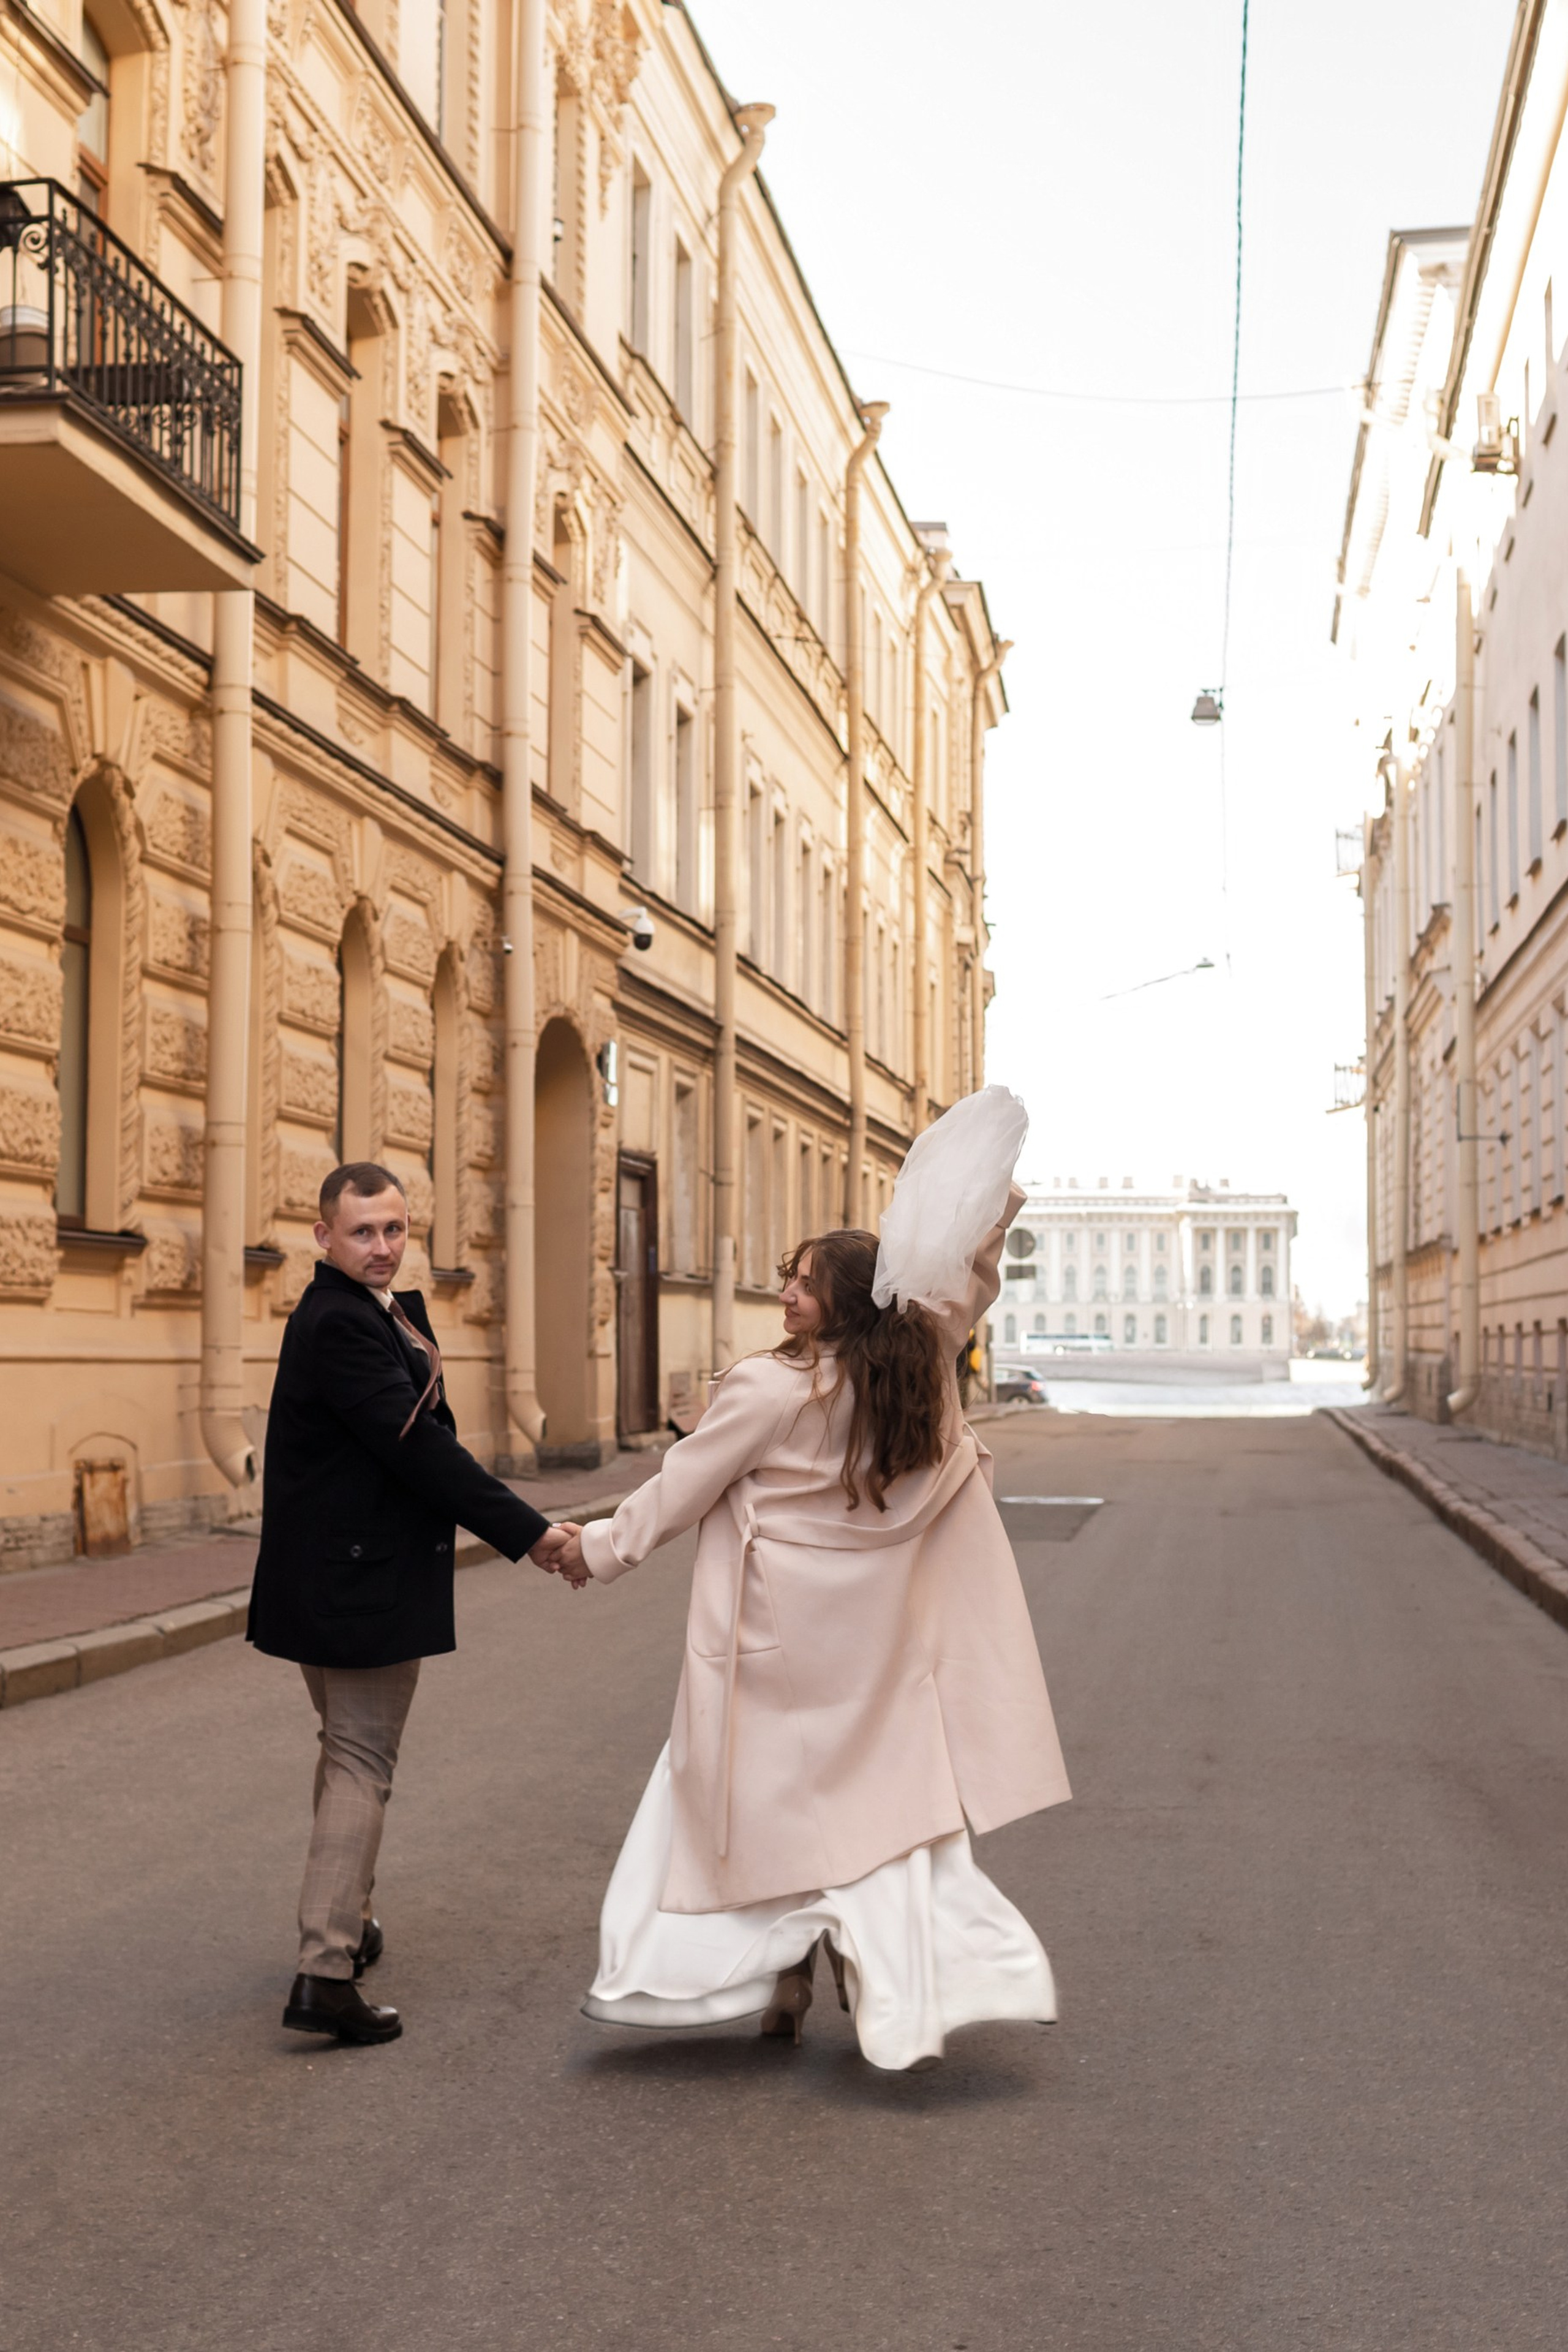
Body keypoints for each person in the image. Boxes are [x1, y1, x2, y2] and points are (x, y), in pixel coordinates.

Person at [545, 1087, 1071, 2073]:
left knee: (754, 1810)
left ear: (847, 1296)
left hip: (775, 1642)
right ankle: (849, 1973)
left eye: (804, 1282)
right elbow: (967, 1285)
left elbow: (682, 1487)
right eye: (785, 1277)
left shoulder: (770, 1387)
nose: (786, 1293)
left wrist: (597, 1548)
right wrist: (988, 1211)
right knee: (871, 1816)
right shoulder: (912, 1375)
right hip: (870, 1647)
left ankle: (770, 1979)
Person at [248, 1161, 571, 2045]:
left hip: (340, 1574)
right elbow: (420, 1451)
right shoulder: (341, 1325)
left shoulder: (364, 1310)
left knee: (346, 1750)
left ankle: (346, 1921)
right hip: (357, 1582)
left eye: (395, 1230)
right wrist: (533, 1535)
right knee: (362, 1761)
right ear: (324, 1237)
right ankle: (322, 1971)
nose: (383, 1247)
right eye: (363, 1232)